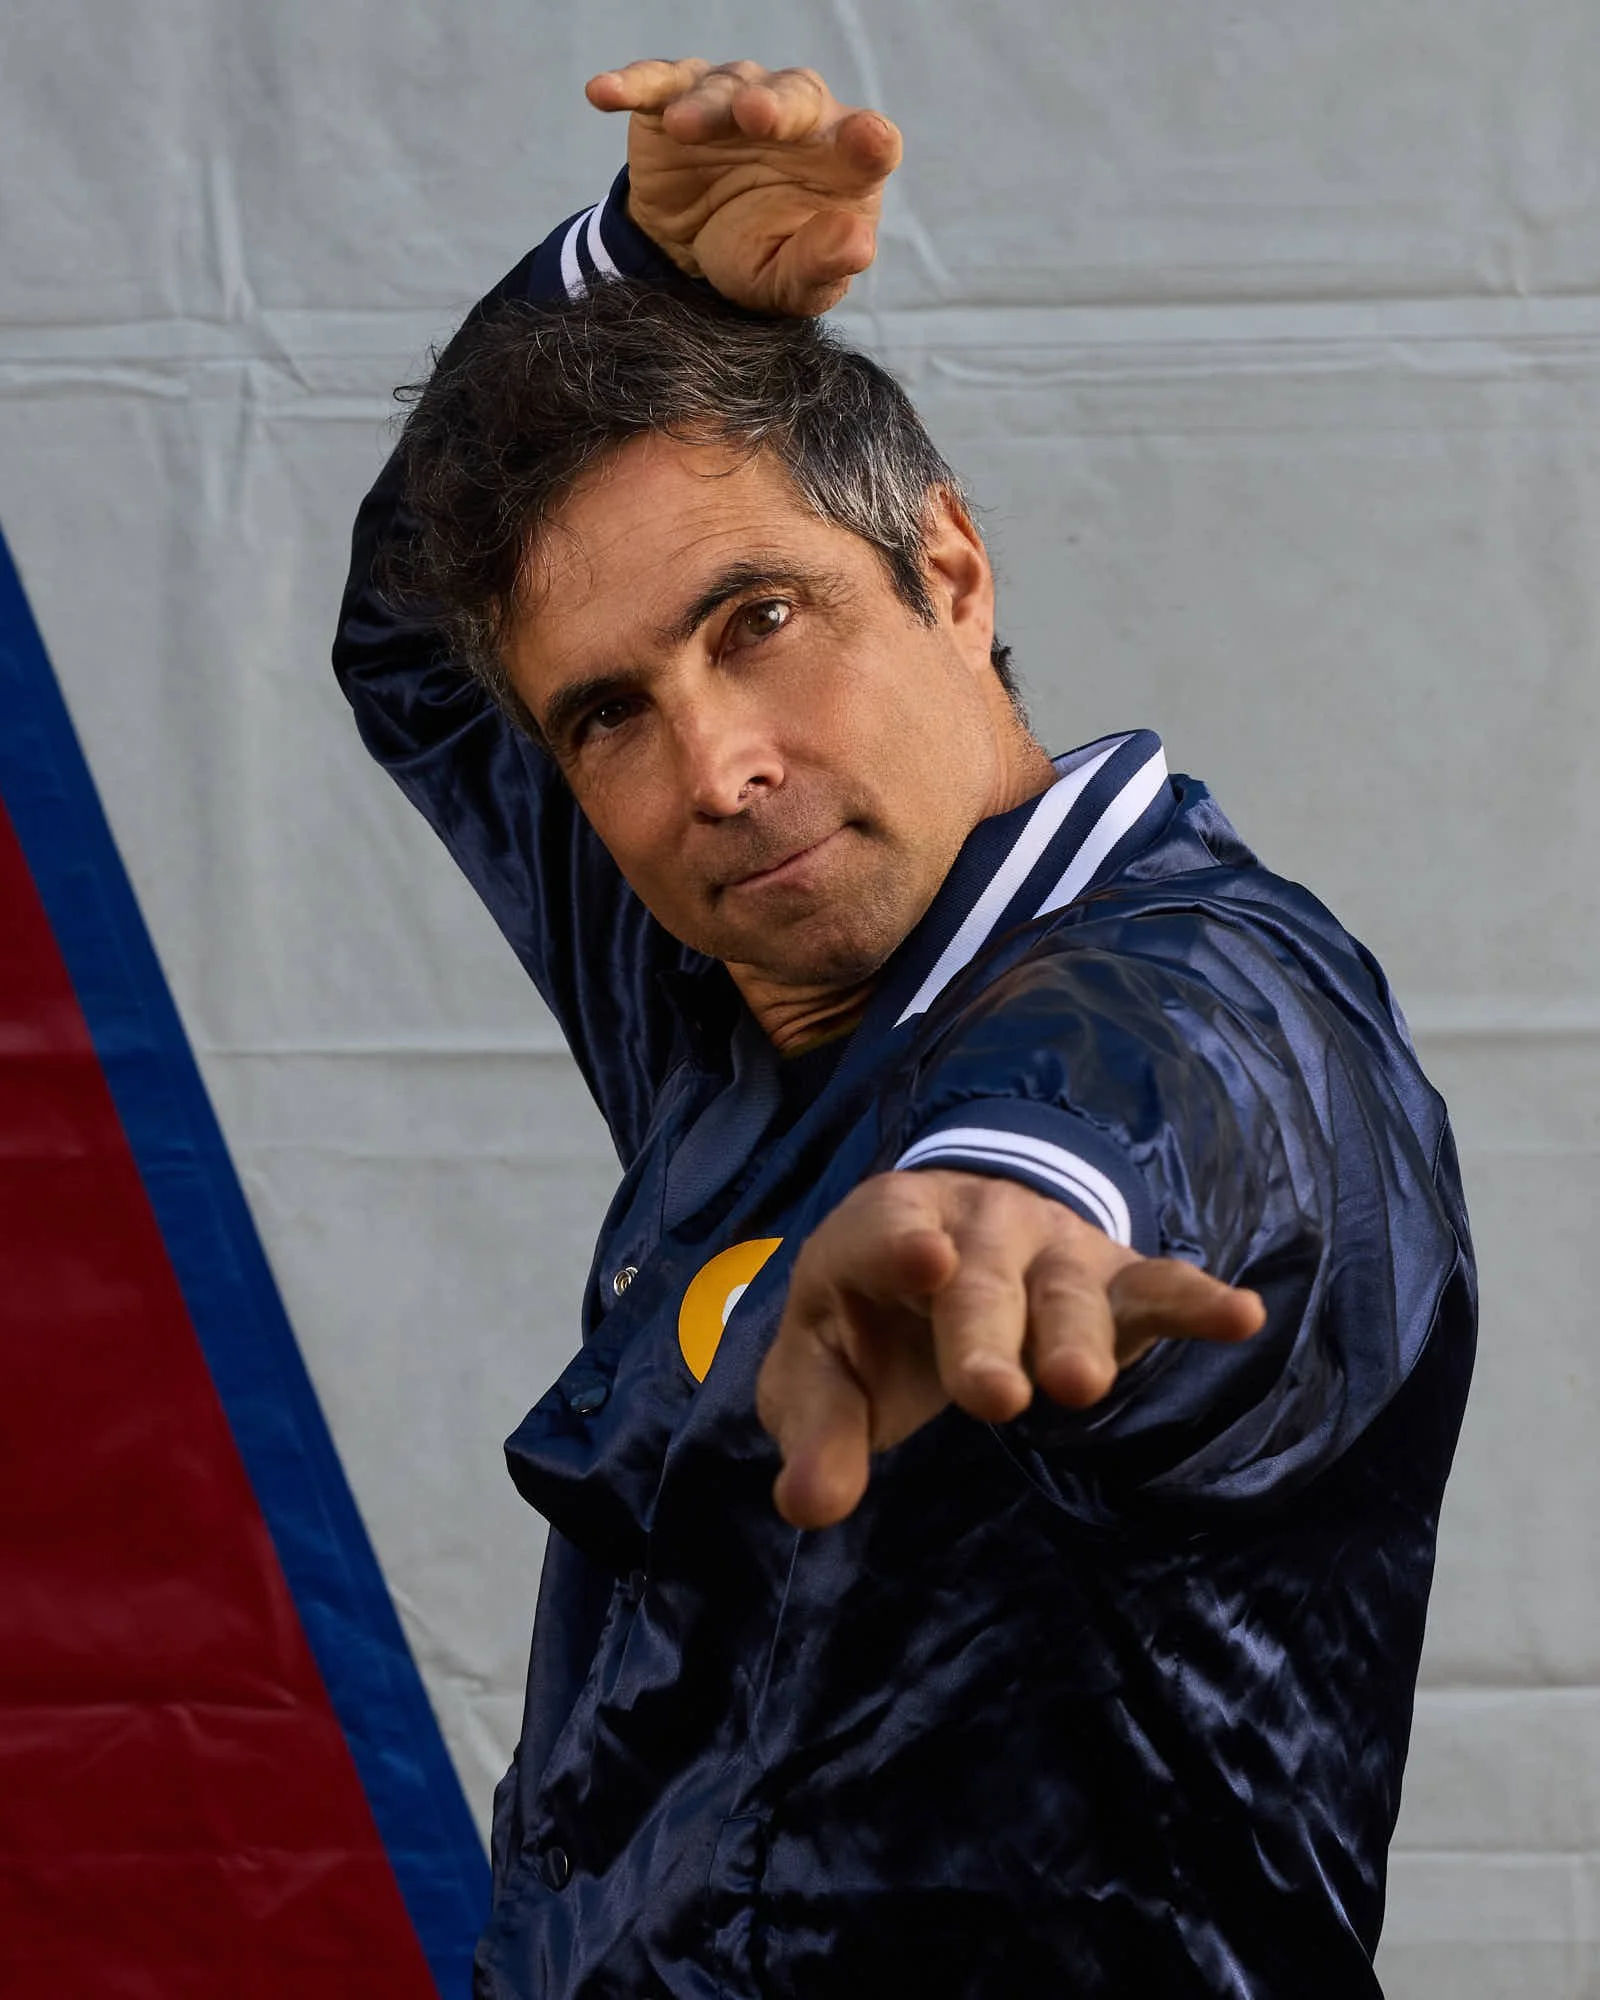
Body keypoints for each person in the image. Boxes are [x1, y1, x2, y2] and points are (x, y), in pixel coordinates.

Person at [334, 58, 1475, 2000]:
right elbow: (409, 646)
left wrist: (996, 1200)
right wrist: (620, 271)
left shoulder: (1217, 982)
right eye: (608, 711)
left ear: (944, 567)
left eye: (758, 619)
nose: (713, 764)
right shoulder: (731, 980)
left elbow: (1155, 1072)